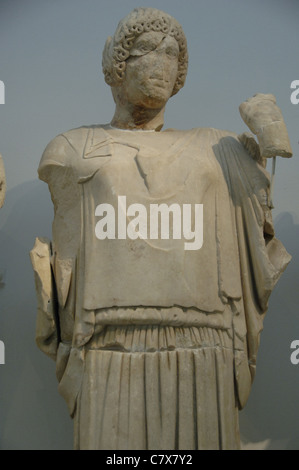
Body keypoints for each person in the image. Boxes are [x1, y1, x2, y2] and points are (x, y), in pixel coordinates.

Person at [31, 7, 291, 450]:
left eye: (172, 53)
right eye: (147, 49)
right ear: (116, 63)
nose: (162, 62)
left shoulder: (217, 146)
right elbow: (66, 265)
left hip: (204, 342)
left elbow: (255, 236)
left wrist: (265, 140)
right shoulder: (74, 148)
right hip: (111, 343)